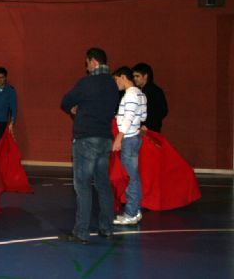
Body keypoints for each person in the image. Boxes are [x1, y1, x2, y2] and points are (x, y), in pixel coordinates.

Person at [60, 48, 119, 244]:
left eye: (86, 63)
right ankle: (107, 227)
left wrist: (75, 108)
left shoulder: (86, 83)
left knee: (83, 185)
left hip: (86, 138)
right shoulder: (112, 84)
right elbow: (112, 108)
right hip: (105, 139)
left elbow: (66, 101)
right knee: (103, 185)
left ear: (93, 62)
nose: (86, 67)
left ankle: (81, 232)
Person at [112, 66, 148, 225]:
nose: (116, 83)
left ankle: (131, 214)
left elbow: (128, 116)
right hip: (134, 137)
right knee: (134, 176)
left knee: (131, 178)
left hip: (128, 138)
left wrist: (119, 137)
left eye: (116, 80)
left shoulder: (131, 94)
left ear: (123, 77)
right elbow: (144, 115)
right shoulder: (140, 93)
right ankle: (135, 211)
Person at [132, 62, 167, 133]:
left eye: (137, 76)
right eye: (134, 76)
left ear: (145, 76)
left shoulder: (154, 91)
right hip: (141, 130)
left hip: (150, 131)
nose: (134, 79)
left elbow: (162, 110)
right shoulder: (140, 91)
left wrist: (147, 125)